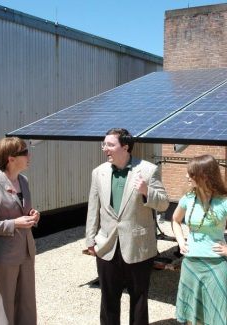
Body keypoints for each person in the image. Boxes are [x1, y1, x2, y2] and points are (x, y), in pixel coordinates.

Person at [85, 128, 169, 325]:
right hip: (107, 246)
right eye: (104, 144)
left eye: (110, 145)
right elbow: (93, 208)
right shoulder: (99, 172)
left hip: (138, 246)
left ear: (125, 147)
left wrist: (147, 191)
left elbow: (164, 203)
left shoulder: (148, 170)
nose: (105, 149)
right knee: (108, 300)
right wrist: (90, 239)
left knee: (139, 299)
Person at [171, 154, 227, 325]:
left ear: (205, 176)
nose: (186, 177)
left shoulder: (225, 202)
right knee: (192, 315)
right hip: (190, 265)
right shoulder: (188, 198)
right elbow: (175, 220)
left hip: (215, 266)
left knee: (216, 316)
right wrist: (181, 241)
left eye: (191, 174)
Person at [0, 137, 40, 325]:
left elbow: (22, 211)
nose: (29, 156)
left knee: (27, 303)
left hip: (27, 251)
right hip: (4, 256)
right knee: (6, 306)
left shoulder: (24, 180)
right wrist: (15, 223)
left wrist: (33, 215)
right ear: (11, 158)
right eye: (24, 152)